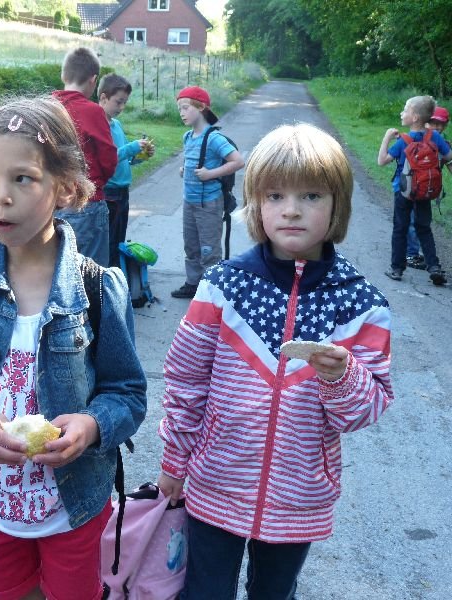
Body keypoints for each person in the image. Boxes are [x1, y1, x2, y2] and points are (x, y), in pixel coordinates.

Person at [0, 95, 147, 600]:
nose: (1, 197)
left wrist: (90, 425)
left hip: (72, 507)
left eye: (23, 178)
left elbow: (127, 394)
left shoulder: (96, 289)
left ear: (65, 188)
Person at [157, 123, 394, 600]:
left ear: (338, 206)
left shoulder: (361, 305)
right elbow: (186, 380)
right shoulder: (222, 287)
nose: (291, 210)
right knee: (204, 592)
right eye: (275, 196)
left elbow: (363, 411)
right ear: (255, 204)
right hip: (215, 483)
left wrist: (342, 376)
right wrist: (174, 462)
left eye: (311, 195)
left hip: (299, 497)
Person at [171, 86, 244, 299]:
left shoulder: (213, 138)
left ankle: (212, 291)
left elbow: (238, 161)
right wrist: (184, 169)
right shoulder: (187, 136)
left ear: (201, 107)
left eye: (186, 107)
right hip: (189, 201)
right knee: (191, 246)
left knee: (209, 249)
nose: (182, 112)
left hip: (209, 203)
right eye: (179, 108)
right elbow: (193, 158)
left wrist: (210, 174)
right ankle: (193, 283)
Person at [52, 47, 118, 267]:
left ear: (63, 75)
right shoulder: (93, 111)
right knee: (91, 271)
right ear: (93, 80)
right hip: (87, 202)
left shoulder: (47, 108)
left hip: (50, 202)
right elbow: (108, 159)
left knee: (56, 267)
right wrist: (97, 183)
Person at [378, 95, 452, 286]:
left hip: (403, 191)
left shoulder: (403, 141)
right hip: (425, 190)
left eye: (405, 110)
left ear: (415, 117)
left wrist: (387, 137)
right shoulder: (434, 137)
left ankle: (397, 269)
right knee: (424, 229)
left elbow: (382, 161)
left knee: (400, 229)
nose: (402, 113)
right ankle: (434, 267)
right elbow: (449, 156)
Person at [98, 73, 155, 267]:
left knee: (120, 239)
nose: (122, 107)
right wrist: (131, 148)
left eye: (125, 103)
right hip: (110, 192)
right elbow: (107, 159)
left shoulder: (117, 124)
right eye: (118, 102)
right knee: (110, 241)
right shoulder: (99, 126)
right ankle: (108, 277)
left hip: (123, 191)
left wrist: (140, 155)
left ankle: (116, 275)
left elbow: (123, 158)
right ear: (103, 98)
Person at [406, 105, 451, 269]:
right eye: (434, 123)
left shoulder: (442, 141)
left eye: (441, 124)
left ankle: (415, 252)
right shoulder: (417, 137)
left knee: (421, 220)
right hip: (412, 185)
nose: (438, 127)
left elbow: (448, 160)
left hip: (428, 188)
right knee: (412, 219)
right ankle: (411, 254)